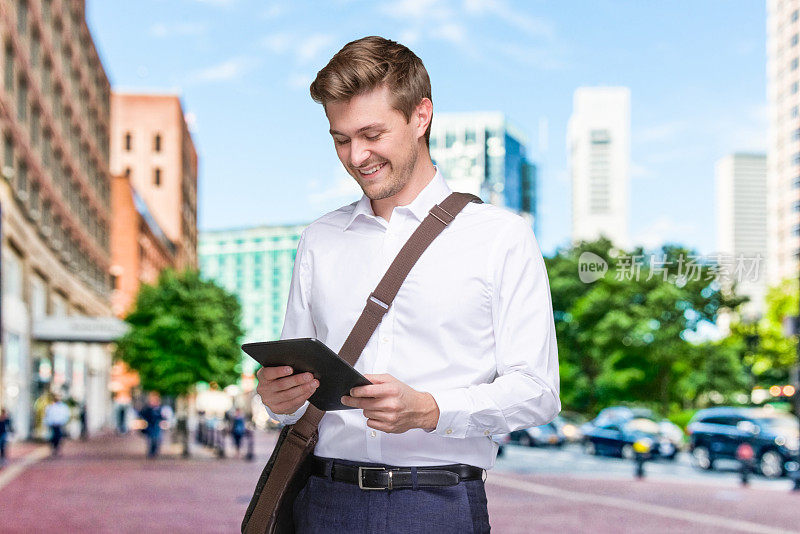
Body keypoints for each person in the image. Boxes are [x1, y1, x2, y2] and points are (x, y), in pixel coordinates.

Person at [256, 36, 560, 532]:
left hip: (438, 505)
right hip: (323, 503)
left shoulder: (502, 237)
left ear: (421, 116)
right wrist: (278, 398)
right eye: (340, 139)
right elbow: (295, 385)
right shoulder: (319, 240)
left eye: (372, 134)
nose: (357, 156)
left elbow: (538, 391)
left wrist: (431, 409)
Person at [139, 392, 165, 458]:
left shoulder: (160, 408)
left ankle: (154, 451)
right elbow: (142, 414)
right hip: (150, 426)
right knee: (150, 439)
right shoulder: (148, 408)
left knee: (157, 439)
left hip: (157, 426)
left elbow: (162, 417)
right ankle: (151, 452)